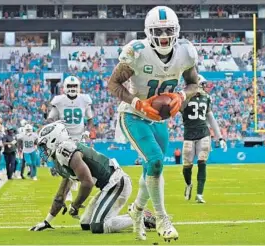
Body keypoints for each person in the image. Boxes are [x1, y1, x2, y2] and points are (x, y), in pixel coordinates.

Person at [108, 6, 202, 242]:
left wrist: (181, 95)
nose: (163, 37)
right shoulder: (137, 52)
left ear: (176, 31)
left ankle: (137, 211)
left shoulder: (185, 52)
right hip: (133, 115)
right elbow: (113, 84)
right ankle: (162, 219)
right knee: (156, 162)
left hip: (159, 119)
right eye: (158, 31)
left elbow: (193, 84)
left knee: (151, 169)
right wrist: (137, 102)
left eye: (168, 30)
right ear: (148, 32)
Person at [30, 122, 156, 234]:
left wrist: (75, 204)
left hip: (116, 182)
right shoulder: (60, 157)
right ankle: (133, 216)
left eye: (43, 146)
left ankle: (141, 216)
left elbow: (87, 183)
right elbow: (61, 194)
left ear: (53, 140)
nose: (43, 150)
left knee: (98, 226)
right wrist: (47, 221)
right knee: (86, 223)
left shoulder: (65, 150)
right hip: (108, 186)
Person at [47, 76, 94, 201]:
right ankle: (67, 190)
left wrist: (87, 131)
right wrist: (56, 127)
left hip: (79, 137)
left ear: (78, 87)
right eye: (70, 86)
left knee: (79, 166)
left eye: (74, 86)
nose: (72, 89)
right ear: (65, 88)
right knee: (67, 166)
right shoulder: (59, 100)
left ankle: (74, 185)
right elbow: (50, 118)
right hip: (64, 138)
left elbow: (90, 119)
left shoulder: (84, 100)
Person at [181, 75, 227, 203]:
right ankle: (188, 184)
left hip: (203, 133)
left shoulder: (206, 98)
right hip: (189, 133)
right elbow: (175, 109)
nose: (204, 87)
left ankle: (200, 194)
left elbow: (211, 118)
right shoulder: (184, 97)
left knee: (202, 162)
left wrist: (220, 137)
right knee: (187, 165)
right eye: (202, 84)